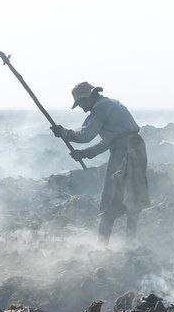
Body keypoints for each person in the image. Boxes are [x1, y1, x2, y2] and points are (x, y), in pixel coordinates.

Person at [52, 82, 150, 241]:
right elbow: (110, 141)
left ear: (89, 97)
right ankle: (130, 244)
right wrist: (85, 153)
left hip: (123, 153)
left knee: (110, 198)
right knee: (134, 195)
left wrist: (64, 133)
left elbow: (85, 136)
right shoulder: (112, 103)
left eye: (82, 103)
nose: (83, 108)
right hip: (137, 150)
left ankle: (102, 245)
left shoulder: (100, 108)